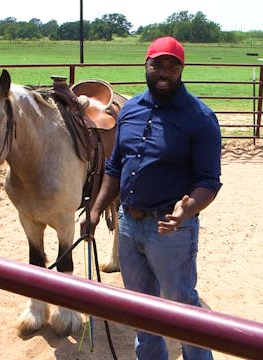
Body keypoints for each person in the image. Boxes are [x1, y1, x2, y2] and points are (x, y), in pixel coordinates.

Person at [81, 36, 222, 360]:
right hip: (129, 226)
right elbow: (115, 166)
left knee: (182, 307)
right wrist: (97, 207)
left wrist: (189, 208)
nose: (164, 72)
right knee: (141, 310)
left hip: (171, 231)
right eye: (157, 64)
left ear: (181, 70)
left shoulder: (199, 118)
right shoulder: (129, 110)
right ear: (146, 65)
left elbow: (208, 181)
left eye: (172, 66)